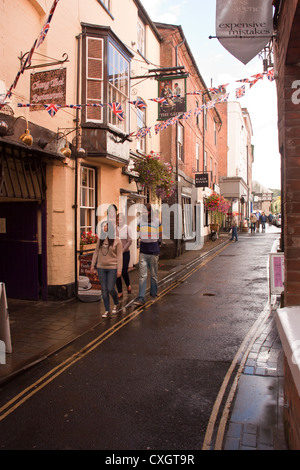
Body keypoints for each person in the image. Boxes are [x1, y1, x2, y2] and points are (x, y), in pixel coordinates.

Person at [90, 220, 122, 318]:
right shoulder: (100, 239)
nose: (104, 228)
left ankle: (116, 303)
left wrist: (119, 269)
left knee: (110, 288)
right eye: (104, 226)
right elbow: (95, 252)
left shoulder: (117, 240)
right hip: (101, 267)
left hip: (112, 267)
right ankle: (107, 310)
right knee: (104, 289)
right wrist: (92, 265)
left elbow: (120, 256)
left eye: (106, 226)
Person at [133, 204, 162, 306]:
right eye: (143, 211)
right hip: (143, 251)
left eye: (145, 211)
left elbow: (160, 235)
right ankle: (141, 298)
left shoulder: (157, 221)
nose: (144, 213)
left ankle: (153, 294)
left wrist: (158, 246)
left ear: (150, 212)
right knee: (142, 276)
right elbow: (137, 233)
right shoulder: (140, 221)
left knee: (154, 275)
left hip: (153, 251)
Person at [116, 213, 132, 299]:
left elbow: (130, 241)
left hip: (125, 253)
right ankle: (120, 291)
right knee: (117, 272)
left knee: (124, 271)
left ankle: (128, 285)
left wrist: (122, 250)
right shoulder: (115, 228)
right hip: (116, 254)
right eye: (117, 219)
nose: (119, 221)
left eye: (120, 219)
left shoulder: (127, 228)